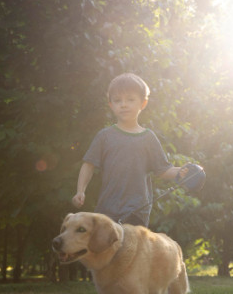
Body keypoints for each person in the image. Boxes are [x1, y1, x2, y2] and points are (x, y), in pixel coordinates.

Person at [72, 73, 183, 227]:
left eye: (130, 99)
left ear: (142, 104)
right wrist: (80, 191)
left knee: (129, 249)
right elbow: (88, 165)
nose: (123, 104)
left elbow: (163, 170)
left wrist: (182, 172)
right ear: (111, 105)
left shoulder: (148, 138)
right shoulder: (105, 136)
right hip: (107, 210)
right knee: (105, 250)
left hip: (136, 211)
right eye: (118, 100)